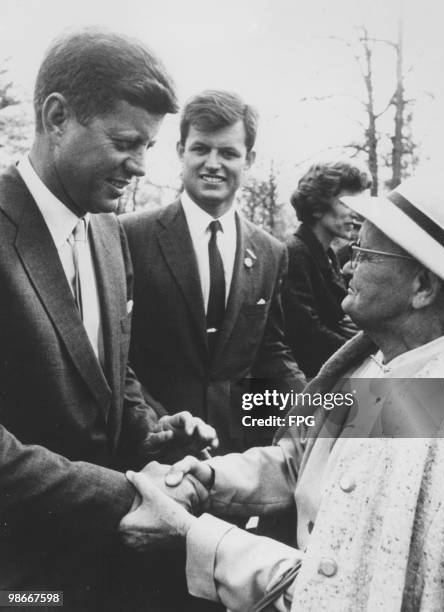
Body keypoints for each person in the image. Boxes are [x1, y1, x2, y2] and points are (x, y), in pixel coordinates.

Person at [120, 171, 444, 611]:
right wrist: (207, 477)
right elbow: (304, 464)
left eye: (365, 253)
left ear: (422, 287)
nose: (347, 264)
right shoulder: (384, 361)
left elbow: (338, 587)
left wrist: (189, 533)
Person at [0, 29, 216, 610]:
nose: (141, 166)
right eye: (126, 142)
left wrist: (151, 430)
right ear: (56, 116)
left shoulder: (107, 231)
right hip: (19, 583)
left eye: (149, 145)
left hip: (99, 574)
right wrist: (120, 495)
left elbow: (109, 371)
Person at [121, 90, 305, 455]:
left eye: (228, 153)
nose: (212, 163)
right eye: (201, 149)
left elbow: (270, 352)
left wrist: (313, 411)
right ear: (180, 151)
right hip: (153, 446)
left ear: (248, 159)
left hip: (233, 454)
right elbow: (117, 356)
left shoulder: (270, 251)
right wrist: (159, 427)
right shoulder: (129, 235)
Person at [283, 159, 372, 378]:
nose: (355, 213)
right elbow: (306, 332)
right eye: (346, 203)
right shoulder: (295, 253)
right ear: (317, 207)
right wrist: (364, 353)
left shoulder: (328, 254)